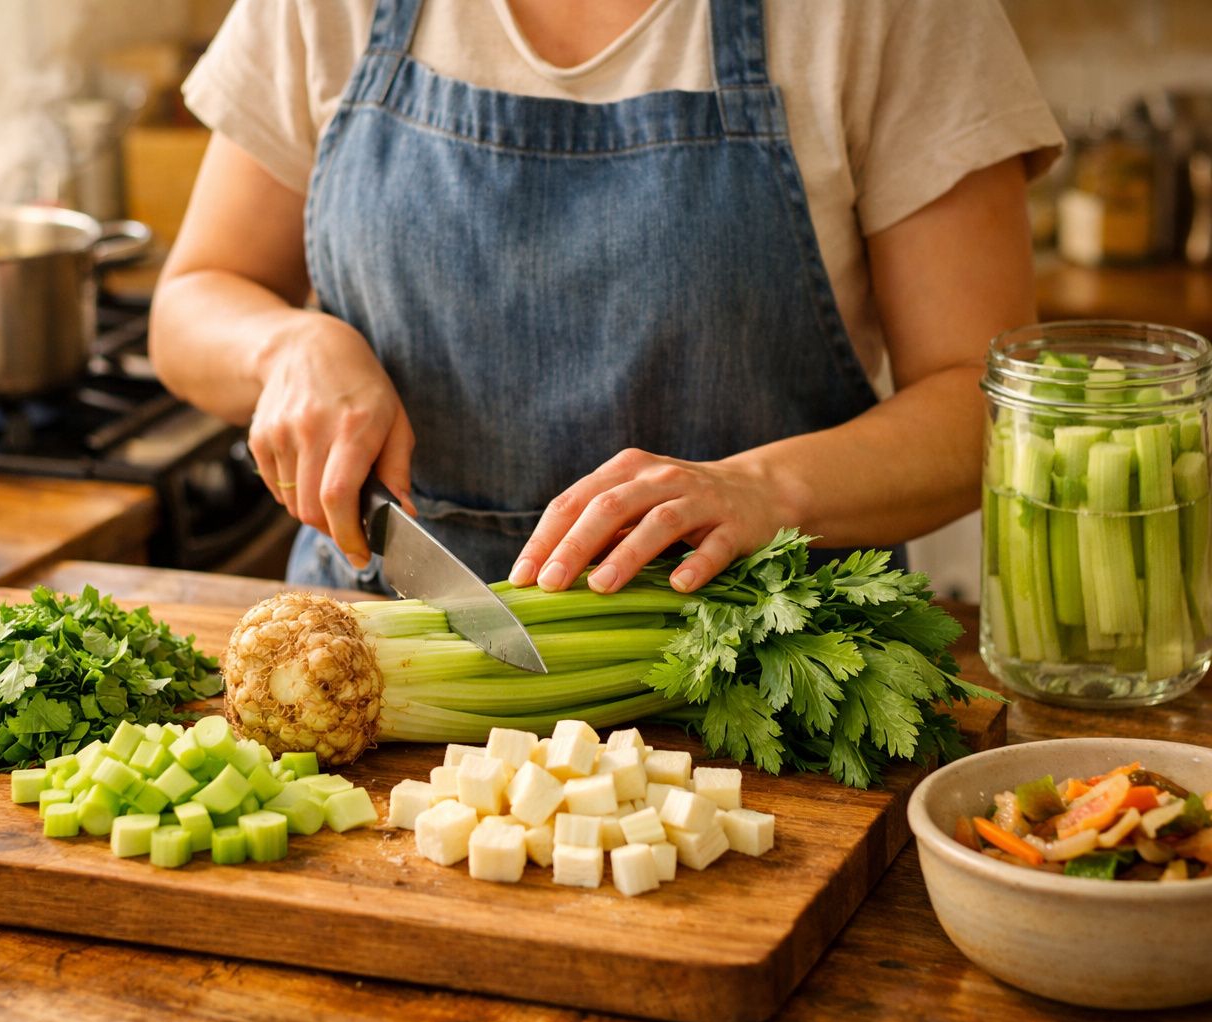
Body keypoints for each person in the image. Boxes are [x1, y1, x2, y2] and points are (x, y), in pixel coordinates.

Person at [150, 0, 1063, 596]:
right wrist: (288, 348)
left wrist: (760, 489)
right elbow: (193, 300)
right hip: (378, 651)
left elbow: (985, 405)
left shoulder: (890, 17)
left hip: (762, 671)